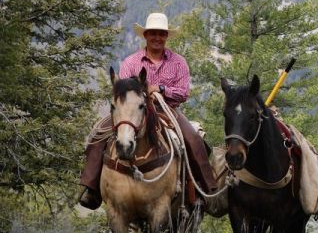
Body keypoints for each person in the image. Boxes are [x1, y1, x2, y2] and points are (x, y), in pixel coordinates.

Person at [78, 13, 217, 209]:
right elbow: (121, 92)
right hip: (132, 110)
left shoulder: (178, 62)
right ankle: (91, 188)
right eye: (153, 33)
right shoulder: (131, 62)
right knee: (99, 134)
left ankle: (206, 190)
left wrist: (161, 89)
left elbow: (184, 93)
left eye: (161, 34)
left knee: (194, 139)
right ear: (146, 35)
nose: (157, 38)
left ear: (167, 36)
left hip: (166, 109)